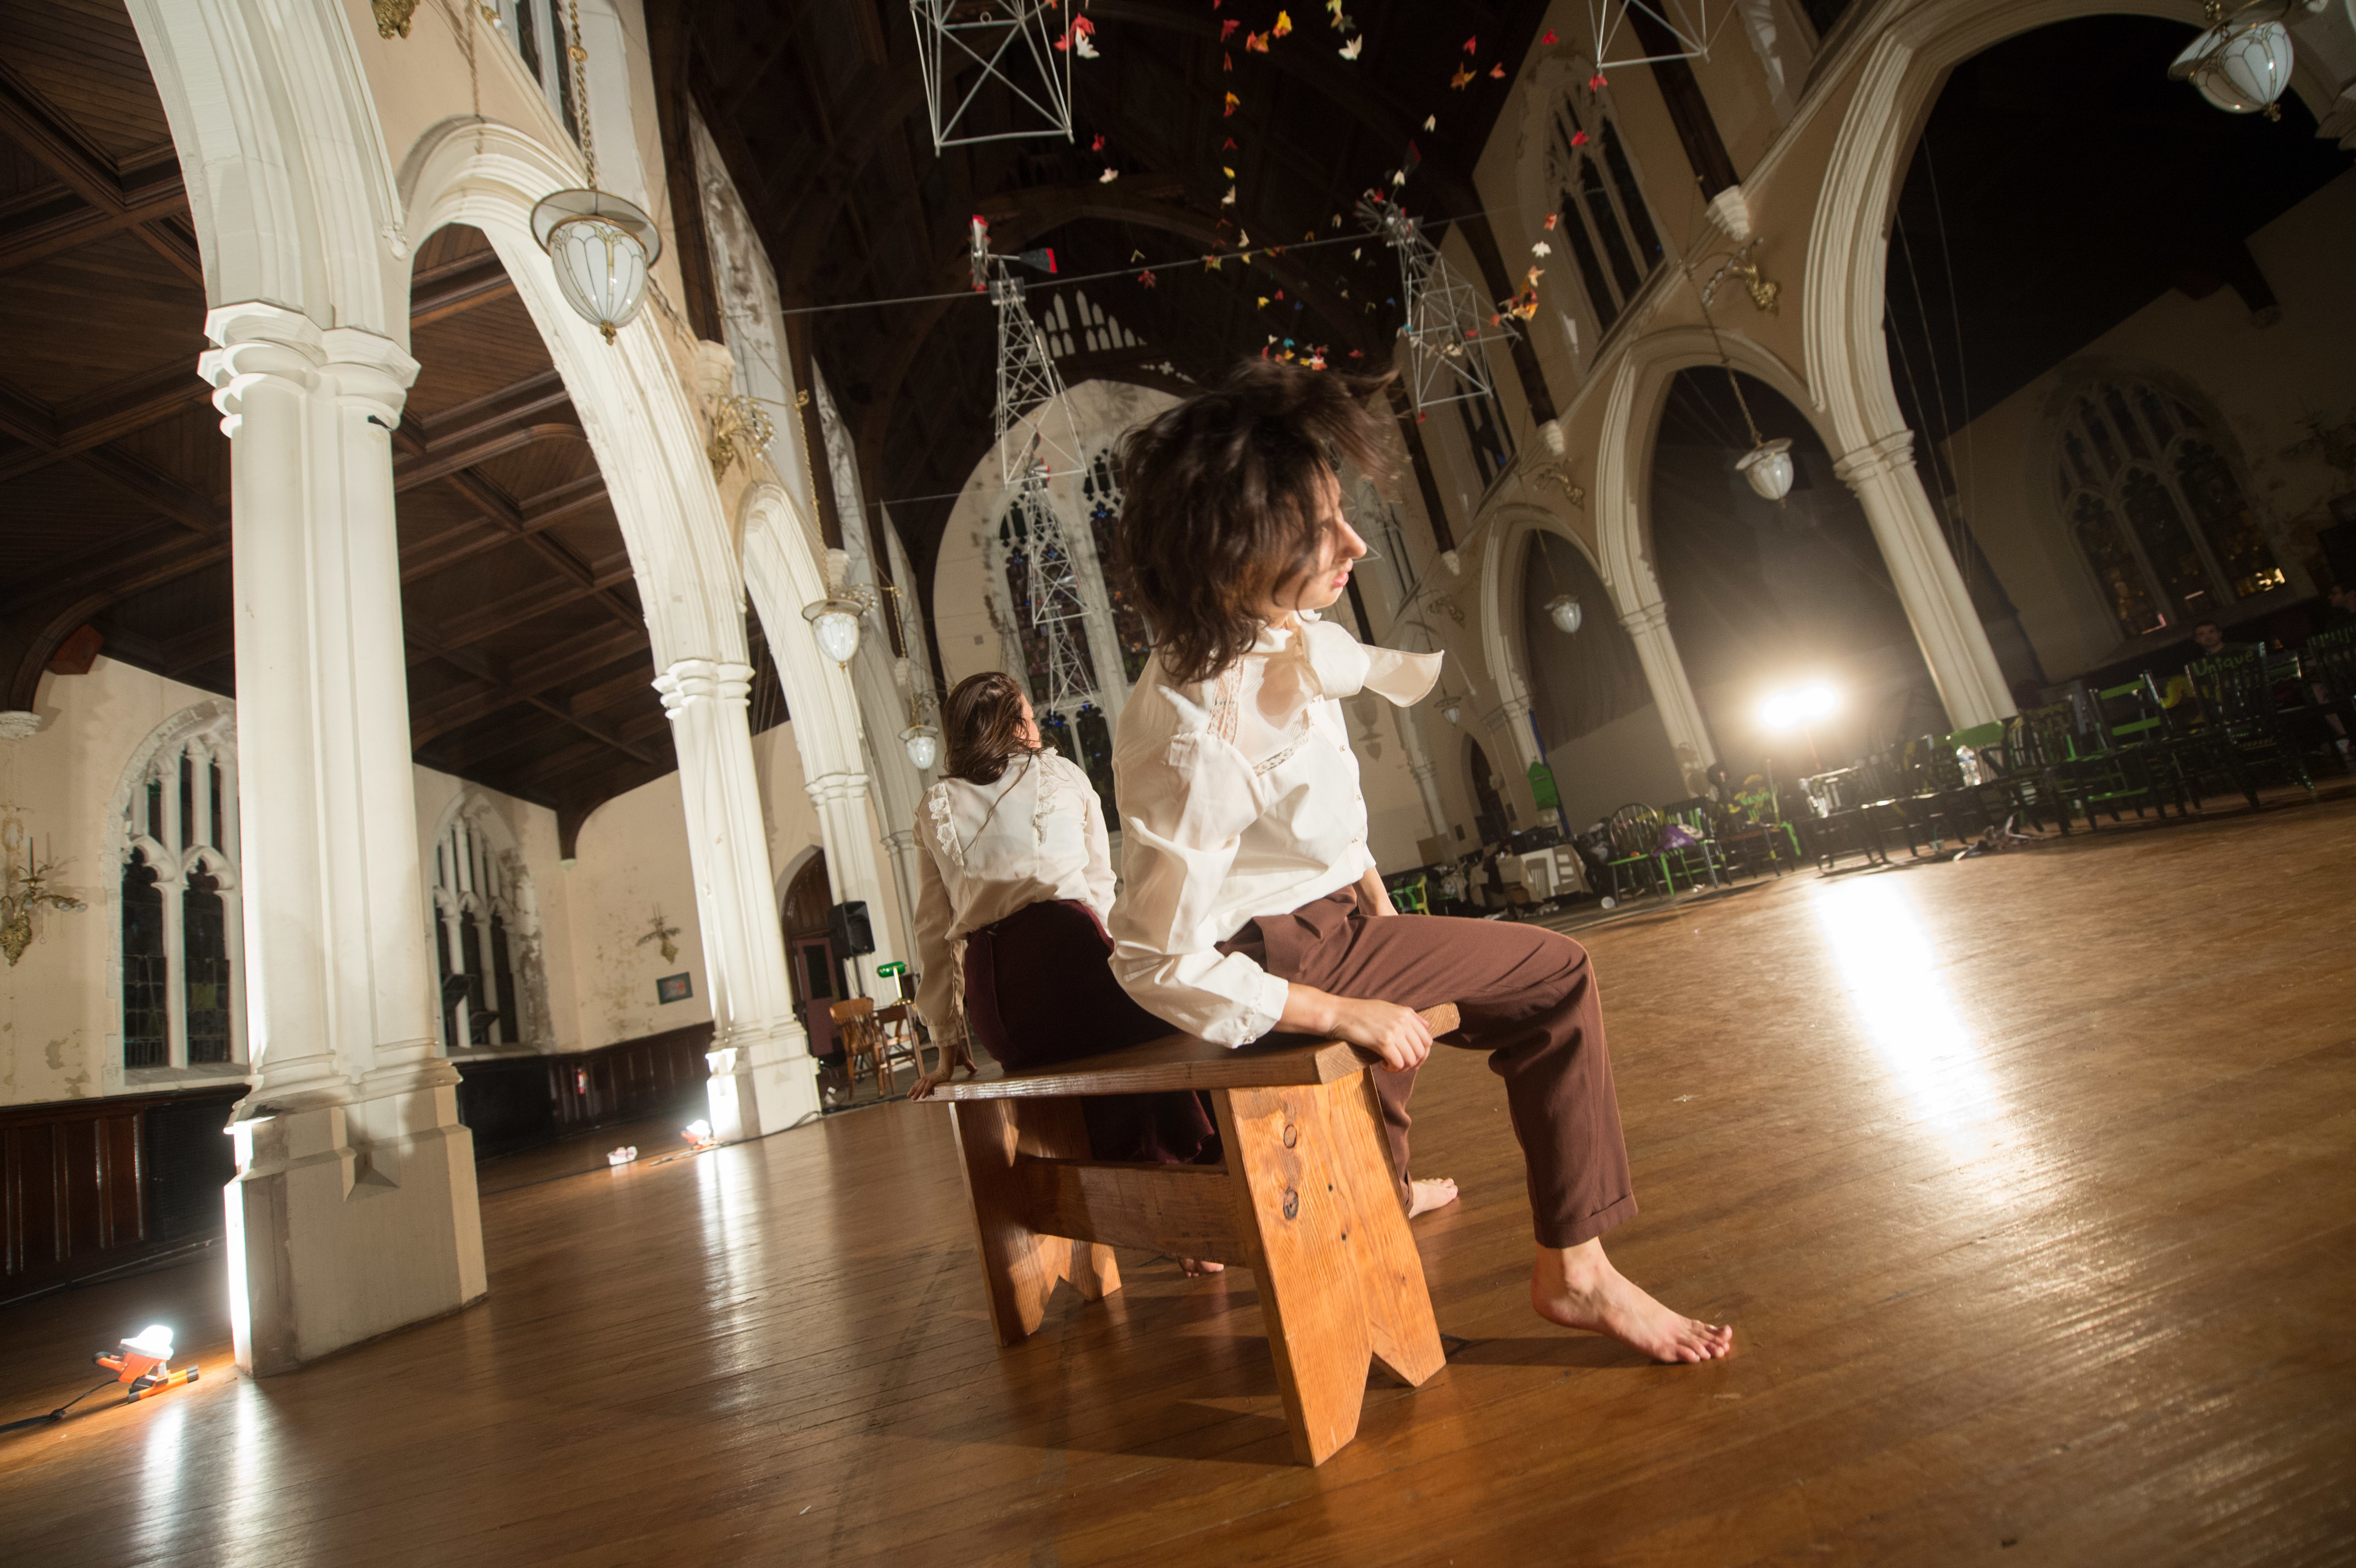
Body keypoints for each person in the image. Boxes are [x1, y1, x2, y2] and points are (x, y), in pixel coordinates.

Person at [1107, 360, 1731, 1363]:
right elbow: (1156, 960)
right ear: (1235, 550)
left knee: (1392, 1066)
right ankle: (1575, 1270)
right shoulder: (1196, 727)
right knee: (1556, 976)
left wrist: (1382, 912)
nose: (1354, 544)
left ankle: (1388, 1199)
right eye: (1319, 530)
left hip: (1333, 922)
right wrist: (1343, 1009)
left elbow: (1319, 817)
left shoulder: (1275, 635)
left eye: (1341, 514)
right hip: (1281, 955)